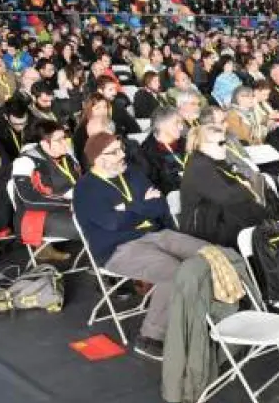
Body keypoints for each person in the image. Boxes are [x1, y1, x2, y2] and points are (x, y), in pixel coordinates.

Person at [73, 132, 211, 361]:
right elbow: (112, 223)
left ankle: (208, 313)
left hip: (156, 234)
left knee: (209, 253)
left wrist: (129, 209)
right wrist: (142, 205)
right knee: (174, 273)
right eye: (114, 152)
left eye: (121, 148)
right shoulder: (86, 189)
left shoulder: (133, 173)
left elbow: (159, 205)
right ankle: (150, 338)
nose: (122, 154)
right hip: (118, 248)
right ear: (99, 159)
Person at [178, 121, 276, 250]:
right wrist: (246, 188)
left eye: (225, 142)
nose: (225, 147)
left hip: (214, 217)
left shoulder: (213, 162)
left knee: (254, 214)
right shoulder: (199, 166)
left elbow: (233, 188)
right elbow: (225, 196)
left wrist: (246, 189)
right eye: (220, 143)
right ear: (202, 145)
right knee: (253, 220)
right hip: (202, 228)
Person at [12, 119, 79, 262]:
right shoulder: (25, 162)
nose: (65, 143)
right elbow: (29, 200)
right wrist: (69, 203)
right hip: (37, 217)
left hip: (67, 208)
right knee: (95, 223)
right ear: (44, 144)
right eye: (59, 140)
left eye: (65, 137)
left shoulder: (65, 157)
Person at [139, 106, 187, 194]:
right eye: (176, 123)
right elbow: (155, 185)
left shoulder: (185, 143)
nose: (181, 127)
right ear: (162, 125)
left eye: (181, 123)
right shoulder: (147, 153)